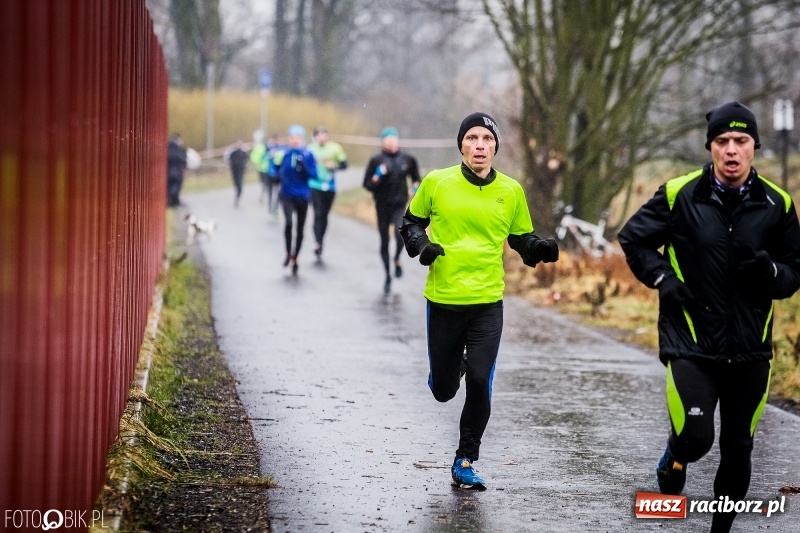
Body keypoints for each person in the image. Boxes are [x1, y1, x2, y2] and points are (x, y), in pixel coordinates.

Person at [617, 101, 800, 532]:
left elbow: (794, 271)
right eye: (722, 141)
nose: (732, 150)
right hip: (690, 342)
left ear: (755, 146)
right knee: (696, 439)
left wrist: (771, 272)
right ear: (710, 147)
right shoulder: (680, 194)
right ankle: (675, 455)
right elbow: (633, 241)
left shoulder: (778, 203)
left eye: (741, 141)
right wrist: (662, 278)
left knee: (739, 448)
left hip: (751, 349)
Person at [399, 112, 559, 490]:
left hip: (488, 301)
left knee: (480, 379)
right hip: (444, 299)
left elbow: (521, 238)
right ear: (461, 145)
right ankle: (448, 370)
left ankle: (465, 459)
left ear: (496, 147)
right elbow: (410, 223)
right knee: (443, 391)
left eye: (487, 139)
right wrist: (423, 246)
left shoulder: (510, 191)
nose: (479, 146)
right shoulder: (437, 183)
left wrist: (539, 249)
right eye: (471, 138)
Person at [363, 127, 422, 294]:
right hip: (381, 205)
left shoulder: (408, 159)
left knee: (399, 235)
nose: (390, 141)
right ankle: (387, 275)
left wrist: (415, 188)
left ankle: (396, 259)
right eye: (387, 138)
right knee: (384, 241)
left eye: (393, 138)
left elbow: (416, 178)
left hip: (399, 204)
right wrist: (376, 178)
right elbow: (366, 183)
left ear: (397, 140)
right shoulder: (376, 160)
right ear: (382, 141)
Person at [278, 124, 317, 275]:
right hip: (286, 195)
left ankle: (296, 256)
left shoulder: (308, 155)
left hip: (302, 195)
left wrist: (305, 166)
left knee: (300, 228)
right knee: (288, 223)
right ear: (289, 139)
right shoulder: (284, 154)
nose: (295, 141)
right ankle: (288, 252)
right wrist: (274, 164)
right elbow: (274, 171)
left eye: (297, 138)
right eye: (292, 138)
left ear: (301, 139)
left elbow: (314, 175)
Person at [308, 126, 348, 260]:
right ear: (315, 136)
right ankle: (316, 242)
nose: (322, 137)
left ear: (328, 136)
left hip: (330, 186)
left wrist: (334, 166)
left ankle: (321, 240)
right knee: (317, 213)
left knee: (324, 215)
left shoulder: (335, 148)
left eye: (324, 134)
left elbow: (344, 164)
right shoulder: (310, 149)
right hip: (314, 185)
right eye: (318, 134)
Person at [265, 133, 285, 215]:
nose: (277, 141)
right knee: (270, 191)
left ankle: (276, 207)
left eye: (278, 139)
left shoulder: (283, 148)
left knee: (278, 192)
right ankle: (270, 206)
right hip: (270, 173)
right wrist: (269, 155)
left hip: (279, 174)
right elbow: (264, 157)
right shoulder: (269, 147)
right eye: (275, 140)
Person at [167, 133, 188, 207]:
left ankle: (171, 200)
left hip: (168, 172)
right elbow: (183, 160)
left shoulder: (167, 148)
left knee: (170, 185)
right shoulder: (179, 150)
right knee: (176, 186)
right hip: (177, 171)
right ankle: (174, 201)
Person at [226, 140, 249, 207]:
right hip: (234, 170)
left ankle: (238, 197)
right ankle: (237, 195)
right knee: (236, 183)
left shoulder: (243, 153)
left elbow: (246, 161)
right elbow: (229, 161)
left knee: (239, 183)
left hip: (241, 170)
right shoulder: (233, 153)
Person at [249, 136, 270, 204]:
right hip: (261, 169)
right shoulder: (259, 148)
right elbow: (253, 156)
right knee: (263, 183)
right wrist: (258, 161)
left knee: (265, 183)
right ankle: (264, 192)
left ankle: (263, 193)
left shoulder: (268, 148)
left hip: (266, 169)